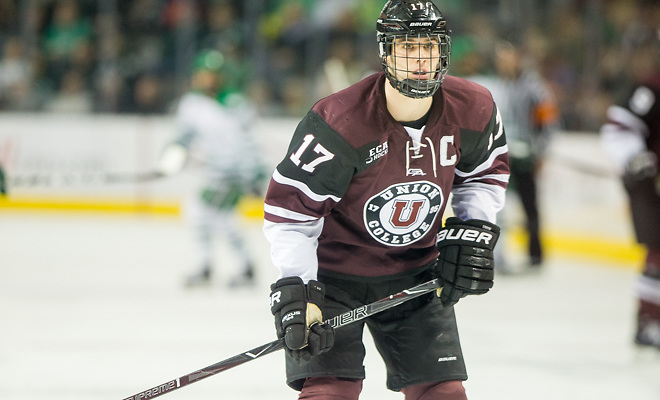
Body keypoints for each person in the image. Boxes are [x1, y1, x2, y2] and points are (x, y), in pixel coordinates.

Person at [263, 1, 509, 398]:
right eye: (407, 47)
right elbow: (291, 214)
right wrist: (300, 288)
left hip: (417, 273)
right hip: (333, 281)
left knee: (443, 392)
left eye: (428, 47)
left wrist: (471, 227)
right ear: (386, 52)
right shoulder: (339, 122)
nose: (420, 59)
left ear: (444, 51)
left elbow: (483, 173)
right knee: (330, 391)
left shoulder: (474, 108)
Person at [158, 49, 266, 288]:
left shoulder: (236, 104)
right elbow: (183, 137)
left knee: (200, 212)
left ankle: (208, 266)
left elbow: (249, 142)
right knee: (218, 217)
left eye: (212, 74)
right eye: (203, 73)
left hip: (233, 174)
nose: (207, 78)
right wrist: (171, 158)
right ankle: (242, 266)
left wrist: (253, 174)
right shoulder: (191, 104)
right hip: (215, 173)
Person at [469, 41, 559, 272]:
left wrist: (540, 151)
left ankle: (536, 254)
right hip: (503, 156)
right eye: (500, 59)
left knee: (530, 206)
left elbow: (547, 122)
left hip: (526, 156)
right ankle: (498, 255)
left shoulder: (534, 88)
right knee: (499, 205)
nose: (503, 63)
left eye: (508, 57)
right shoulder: (499, 85)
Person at [600, 30, 660, 350]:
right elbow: (618, 127)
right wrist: (636, 159)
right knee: (658, 256)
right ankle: (649, 323)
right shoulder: (652, 87)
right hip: (653, 189)